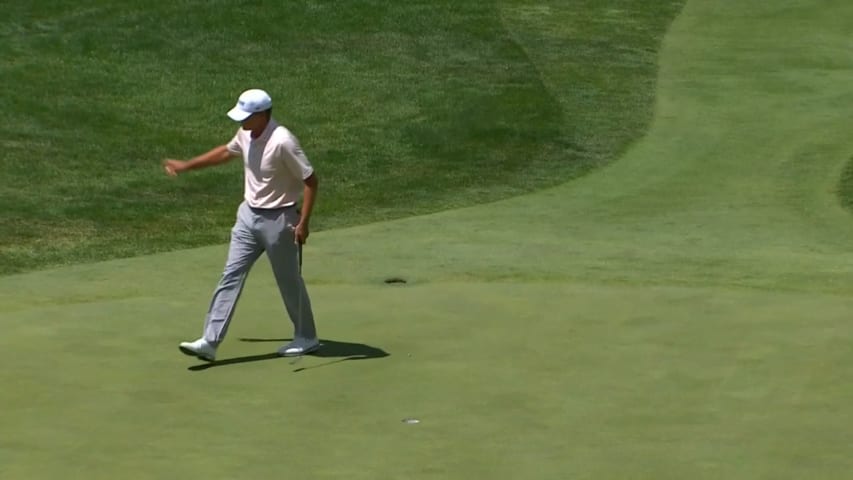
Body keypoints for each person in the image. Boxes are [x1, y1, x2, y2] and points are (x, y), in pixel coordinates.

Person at [163, 88, 320, 362]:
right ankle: (209, 342)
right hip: (248, 217)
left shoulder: (283, 141)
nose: (241, 122)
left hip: (280, 219)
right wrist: (187, 166)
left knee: (288, 281)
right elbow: (226, 152)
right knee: (230, 275)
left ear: (262, 115)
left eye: (247, 117)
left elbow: (310, 181)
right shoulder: (246, 134)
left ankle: (307, 336)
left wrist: (303, 223)